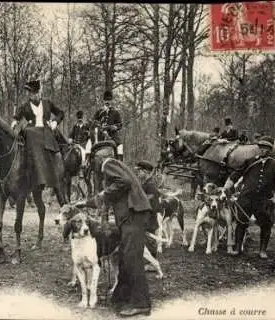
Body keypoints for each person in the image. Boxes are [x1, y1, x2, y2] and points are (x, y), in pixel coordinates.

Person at [76, 158, 152, 317]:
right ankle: (121, 296)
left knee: (132, 259)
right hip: (132, 217)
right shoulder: (115, 168)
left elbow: (122, 183)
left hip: (134, 216)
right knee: (125, 256)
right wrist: (87, 203)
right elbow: (114, 192)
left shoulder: (107, 164)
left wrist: (101, 195)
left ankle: (141, 304)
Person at [223, 136, 275, 258]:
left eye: (266, 148)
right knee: (241, 222)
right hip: (246, 197)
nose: (263, 150)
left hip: (263, 200)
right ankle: (237, 248)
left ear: (270, 150)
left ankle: (262, 251)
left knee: (266, 224)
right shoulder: (250, 161)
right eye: (261, 147)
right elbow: (238, 172)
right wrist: (228, 184)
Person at [10, 79, 66, 199]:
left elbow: (60, 113)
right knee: (27, 137)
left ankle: (60, 172)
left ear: (39, 93)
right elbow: (16, 118)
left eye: (35, 93)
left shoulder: (47, 103)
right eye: (30, 94)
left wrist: (55, 122)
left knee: (63, 145)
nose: (33, 96)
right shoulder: (25, 107)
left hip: (46, 133)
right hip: (31, 135)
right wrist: (15, 124)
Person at [134, 160, 160, 265]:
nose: (138, 173)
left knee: (150, 241)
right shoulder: (145, 183)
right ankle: (148, 263)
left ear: (145, 172)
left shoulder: (150, 185)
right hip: (144, 217)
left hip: (149, 218)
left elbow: (152, 205)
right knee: (145, 241)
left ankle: (152, 264)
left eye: (139, 171)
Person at [91, 90, 123, 161]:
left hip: (112, 136)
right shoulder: (99, 112)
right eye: (106, 100)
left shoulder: (115, 112)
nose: (107, 102)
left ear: (111, 101)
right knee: (90, 148)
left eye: (109, 100)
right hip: (101, 136)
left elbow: (120, 124)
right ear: (103, 101)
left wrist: (115, 127)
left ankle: (120, 164)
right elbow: (93, 122)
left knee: (120, 147)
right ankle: (87, 166)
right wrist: (98, 126)